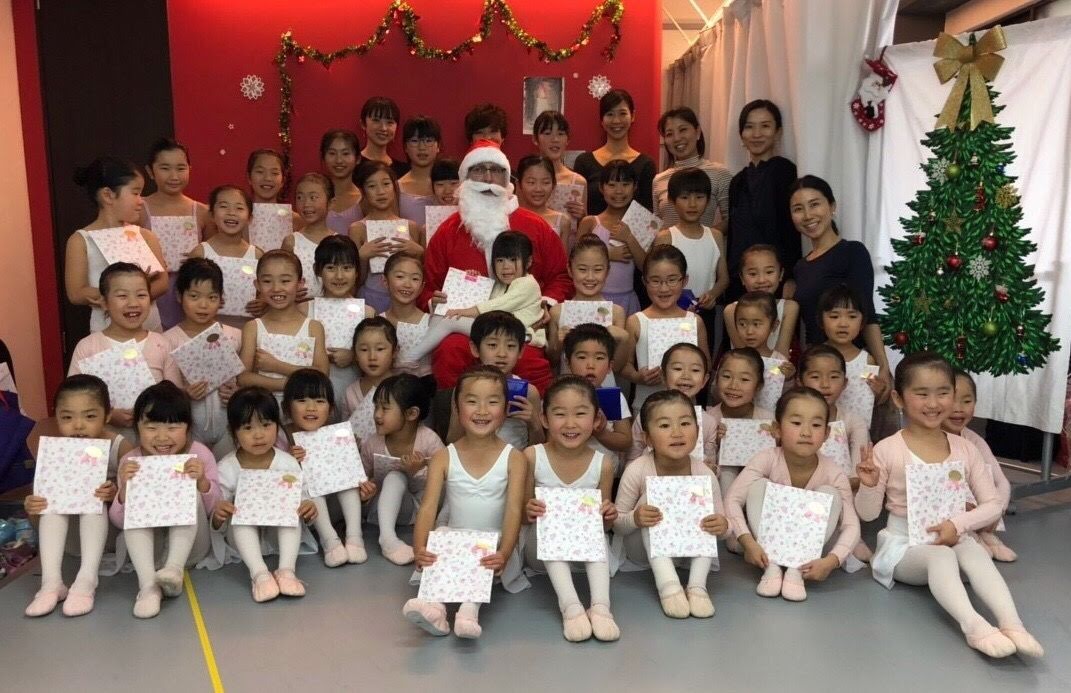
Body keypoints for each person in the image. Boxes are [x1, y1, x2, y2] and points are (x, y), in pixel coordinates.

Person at [856, 352, 1043, 659]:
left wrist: (957, 525)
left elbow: (993, 505)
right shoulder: (887, 450)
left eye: (943, 393)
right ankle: (975, 627)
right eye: (921, 394)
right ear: (899, 398)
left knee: (973, 550)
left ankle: (1013, 624)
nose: (933, 403)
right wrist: (868, 484)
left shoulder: (965, 448)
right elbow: (867, 514)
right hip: (905, 547)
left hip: (953, 537)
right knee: (941, 556)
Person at [418, 139, 571, 392]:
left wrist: (544, 303)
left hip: (522, 328)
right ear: (465, 177)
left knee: (532, 366)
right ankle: (454, 416)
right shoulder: (447, 232)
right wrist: (433, 300)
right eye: (479, 169)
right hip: (466, 331)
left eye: (497, 170)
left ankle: (533, 416)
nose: (488, 178)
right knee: (448, 353)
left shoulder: (536, 226)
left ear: (508, 178)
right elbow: (426, 285)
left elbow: (561, 277)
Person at [402, 365, 527, 639]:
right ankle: (434, 607)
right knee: (443, 532)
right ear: (457, 408)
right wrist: (420, 546)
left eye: (492, 402)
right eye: (472, 401)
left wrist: (505, 552)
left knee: (483, 549)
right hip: (455, 541)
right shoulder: (443, 457)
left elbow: (514, 510)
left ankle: (469, 612)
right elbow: (428, 507)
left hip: (495, 546)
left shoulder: (514, 458)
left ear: (505, 409)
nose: (482, 410)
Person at [725, 387, 860, 602]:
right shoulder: (766, 458)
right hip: (764, 546)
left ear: (827, 433)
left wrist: (831, 561)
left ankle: (796, 570)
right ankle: (772, 567)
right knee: (759, 486)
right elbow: (732, 499)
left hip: (812, 552)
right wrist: (748, 542)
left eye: (816, 425)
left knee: (830, 494)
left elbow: (851, 525)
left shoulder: (833, 473)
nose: (806, 432)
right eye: (796, 423)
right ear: (777, 429)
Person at [613, 390, 728, 619]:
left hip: (687, 556)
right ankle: (669, 586)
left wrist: (722, 526)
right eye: (665, 426)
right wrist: (636, 517)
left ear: (697, 431)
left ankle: (697, 586)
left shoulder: (704, 474)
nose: (677, 432)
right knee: (651, 498)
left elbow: (723, 530)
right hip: (642, 552)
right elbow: (616, 524)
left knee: (703, 505)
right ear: (647, 438)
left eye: (685, 423)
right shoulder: (637, 469)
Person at [522, 376, 619, 642]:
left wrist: (608, 515)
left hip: (585, 552)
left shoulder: (603, 463)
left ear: (596, 419)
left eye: (580, 413)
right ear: (544, 419)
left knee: (596, 535)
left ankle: (601, 606)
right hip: (540, 552)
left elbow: (604, 526)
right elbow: (521, 515)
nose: (570, 423)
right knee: (554, 529)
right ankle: (571, 607)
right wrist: (529, 510)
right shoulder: (532, 456)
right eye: (560, 414)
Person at [23, 375, 129, 617]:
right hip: (70, 540)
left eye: (89, 416)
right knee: (50, 505)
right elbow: (37, 512)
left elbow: (138, 499)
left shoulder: (119, 446)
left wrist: (114, 494)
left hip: (110, 536)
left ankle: (86, 580)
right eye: (67, 417)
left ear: (107, 415)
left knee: (94, 500)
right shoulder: (56, 452)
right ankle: (51, 583)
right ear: (56, 417)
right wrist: (33, 504)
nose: (78, 425)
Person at [112, 382, 220, 618]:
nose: (162, 437)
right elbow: (119, 522)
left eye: (172, 427)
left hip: (191, 549)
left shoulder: (199, 454)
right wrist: (126, 491)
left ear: (188, 428)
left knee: (188, 487)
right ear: (137, 428)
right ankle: (147, 587)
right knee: (136, 504)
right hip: (147, 554)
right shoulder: (131, 461)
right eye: (151, 427)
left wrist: (202, 482)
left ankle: (174, 568)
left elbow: (214, 512)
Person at [212, 387, 317, 602]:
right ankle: (259, 574)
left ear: (277, 426)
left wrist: (307, 506)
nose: (258, 435)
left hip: (277, 539)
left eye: (266, 425)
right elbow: (217, 519)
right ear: (233, 432)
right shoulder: (227, 468)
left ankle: (286, 570)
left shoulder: (287, 463)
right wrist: (219, 515)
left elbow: (303, 496)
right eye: (248, 428)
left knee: (291, 509)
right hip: (242, 543)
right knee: (240, 513)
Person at [789, 176, 892, 394]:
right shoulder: (800, 266)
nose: (807, 215)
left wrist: (883, 364)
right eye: (798, 209)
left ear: (832, 207)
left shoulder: (852, 252)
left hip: (852, 366)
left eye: (814, 204)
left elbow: (867, 312)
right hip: (816, 368)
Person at [67, 263, 182, 439]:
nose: (133, 303)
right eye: (122, 296)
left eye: (141, 295)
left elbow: (176, 399)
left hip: (156, 445)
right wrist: (109, 415)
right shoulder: (87, 347)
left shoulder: (161, 344)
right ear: (104, 302)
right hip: (105, 444)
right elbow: (73, 400)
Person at [65, 156, 169, 333]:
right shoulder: (81, 240)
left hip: (149, 327)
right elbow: (76, 293)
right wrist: (121, 299)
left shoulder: (146, 236)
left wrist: (134, 300)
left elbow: (163, 281)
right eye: (135, 193)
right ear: (108, 195)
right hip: (107, 330)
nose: (141, 200)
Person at [284, 369, 375, 567]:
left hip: (334, 509)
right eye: (302, 401)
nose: (311, 408)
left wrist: (364, 492)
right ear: (287, 407)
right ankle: (330, 542)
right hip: (302, 514)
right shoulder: (281, 437)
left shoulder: (337, 436)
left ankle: (354, 537)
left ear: (331, 408)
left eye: (319, 401)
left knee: (346, 477)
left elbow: (354, 479)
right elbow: (275, 483)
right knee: (312, 483)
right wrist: (288, 462)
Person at [412, 232, 546, 360]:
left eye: (513, 260)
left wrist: (463, 312)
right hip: (496, 328)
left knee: (451, 319)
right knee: (440, 314)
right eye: (500, 260)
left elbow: (495, 306)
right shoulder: (500, 284)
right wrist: (476, 282)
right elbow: (485, 299)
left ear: (528, 262)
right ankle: (423, 359)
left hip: (514, 332)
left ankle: (411, 356)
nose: (506, 266)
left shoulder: (528, 284)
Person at [359, 373, 444, 565]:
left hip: (415, 511)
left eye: (385, 408)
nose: (377, 414)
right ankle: (388, 539)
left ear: (411, 414)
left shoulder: (429, 440)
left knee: (395, 476)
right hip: (379, 512)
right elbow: (360, 479)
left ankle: (388, 539)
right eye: (376, 407)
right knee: (394, 476)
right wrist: (364, 493)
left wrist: (417, 471)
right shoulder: (372, 443)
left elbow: (446, 481)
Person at [163, 258, 242, 459]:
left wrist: (238, 392)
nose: (203, 305)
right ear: (179, 296)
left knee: (227, 470)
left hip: (229, 424)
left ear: (221, 299)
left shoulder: (235, 336)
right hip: (189, 426)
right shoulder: (167, 340)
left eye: (212, 297)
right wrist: (185, 393)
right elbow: (166, 393)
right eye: (194, 296)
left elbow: (246, 380)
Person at [725, 100, 799, 301]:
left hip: (775, 282)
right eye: (749, 127)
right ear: (741, 135)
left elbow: (792, 230)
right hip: (741, 282)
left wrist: (790, 276)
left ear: (778, 132)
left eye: (765, 126)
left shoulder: (785, 172)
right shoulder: (737, 181)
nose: (756, 134)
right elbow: (734, 235)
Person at [622, 245, 709, 409]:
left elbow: (706, 365)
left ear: (684, 280)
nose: (664, 288)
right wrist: (637, 376)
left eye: (672, 280)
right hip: (646, 406)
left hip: (686, 408)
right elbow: (624, 365)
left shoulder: (695, 321)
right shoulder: (636, 321)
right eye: (655, 281)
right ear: (644, 281)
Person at [943, 369, 1016, 562]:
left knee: (985, 474)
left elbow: (1001, 482)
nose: (959, 409)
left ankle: (985, 535)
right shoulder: (931, 440)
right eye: (951, 400)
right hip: (947, 516)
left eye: (967, 401)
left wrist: (994, 512)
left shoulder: (974, 440)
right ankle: (971, 538)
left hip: (979, 513)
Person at [139, 137, 212, 329]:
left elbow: (213, 256)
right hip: (153, 293)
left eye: (180, 168)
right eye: (165, 168)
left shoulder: (202, 212)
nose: (174, 176)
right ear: (150, 171)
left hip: (192, 292)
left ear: (189, 169)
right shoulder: (139, 209)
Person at [237, 250, 329, 400]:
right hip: (265, 409)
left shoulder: (313, 327)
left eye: (285, 281)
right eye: (267, 281)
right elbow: (243, 377)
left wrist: (277, 366)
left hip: (305, 409)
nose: (276, 288)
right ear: (257, 285)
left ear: (300, 283)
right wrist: (289, 384)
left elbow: (322, 374)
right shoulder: (253, 327)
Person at [445, 312, 544, 452]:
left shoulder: (529, 392)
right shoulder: (464, 388)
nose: (502, 354)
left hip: (516, 461)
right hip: (474, 460)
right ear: (475, 348)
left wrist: (534, 423)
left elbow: (539, 449)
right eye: (492, 345)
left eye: (511, 346)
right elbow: (452, 440)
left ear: (521, 350)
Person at [652, 168, 729, 347]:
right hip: (671, 311)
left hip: (705, 313)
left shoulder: (715, 236)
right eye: (685, 197)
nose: (692, 204)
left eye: (699, 197)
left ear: (708, 200)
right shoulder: (666, 237)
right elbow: (655, 277)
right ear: (672, 201)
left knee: (702, 359)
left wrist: (712, 295)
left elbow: (723, 278)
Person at [307, 235, 376, 414]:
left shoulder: (367, 312)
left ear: (357, 271)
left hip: (354, 397)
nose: (339, 276)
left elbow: (379, 357)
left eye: (347, 268)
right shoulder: (304, 310)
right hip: (312, 397)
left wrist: (354, 356)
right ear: (317, 270)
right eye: (330, 268)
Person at [626, 343, 718, 470]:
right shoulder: (647, 415)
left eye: (695, 370)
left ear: (705, 380)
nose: (686, 376)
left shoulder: (709, 422)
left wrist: (711, 469)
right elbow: (632, 459)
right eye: (678, 369)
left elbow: (712, 465)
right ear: (663, 376)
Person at [545, 236, 632, 370]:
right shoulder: (557, 312)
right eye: (582, 269)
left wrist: (624, 340)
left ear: (607, 271)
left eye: (598, 270)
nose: (590, 277)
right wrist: (558, 343)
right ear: (570, 269)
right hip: (568, 382)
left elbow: (617, 368)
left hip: (605, 383)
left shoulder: (616, 312)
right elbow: (552, 361)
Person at [348, 161, 425, 313]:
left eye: (386, 184)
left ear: (394, 187)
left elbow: (420, 277)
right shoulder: (358, 229)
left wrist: (420, 253)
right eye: (372, 186)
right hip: (371, 298)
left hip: (405, 298)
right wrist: (362, 257)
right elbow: (355, 282)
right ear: (363, 192)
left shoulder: (411, 227)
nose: (380, 191)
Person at [575, 160, 647, 315]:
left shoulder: (640, 222)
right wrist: (608, 254)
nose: (619, 191)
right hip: (592, 298)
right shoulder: (590, 222)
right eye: (612, 185)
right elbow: (575, 259)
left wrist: (629, 237)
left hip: (627, 299)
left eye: (625, 184)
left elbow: (646, 267)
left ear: (635, 187)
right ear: (601, 188)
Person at [186, 184, 263, 328]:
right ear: (211, 215)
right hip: (208, 328)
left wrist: (263, 302)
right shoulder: (200, 253)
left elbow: (265, 290)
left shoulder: (257, 255)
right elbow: (187, 293)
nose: (231, 213)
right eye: (223, 206)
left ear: (250, 218)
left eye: (239, 208)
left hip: (247, 329)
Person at [561, 325, 632, 475]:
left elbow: (626, 442)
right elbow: (550, 439)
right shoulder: (559, 397)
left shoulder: (615, 397)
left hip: (606, 474)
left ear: (610, 366)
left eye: (599, 358)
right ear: (568, 362)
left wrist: (601, 433)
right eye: (582, 357)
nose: (590, 365)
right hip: (567, 471)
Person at [573, 89, 656, 214]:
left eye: (622, 113)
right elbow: (578, 209)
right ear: (602, 120)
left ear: (632, 116)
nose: (616, 121)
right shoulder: (584, 162)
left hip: (631, 228)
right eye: (610, 114)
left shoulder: (646, 164)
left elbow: (648, 212)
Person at [818, 284, 889, 424]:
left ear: (862, 323)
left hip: (858, 431)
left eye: (852, 316)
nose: (843, 324)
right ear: (821, 321)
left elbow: (871, 399)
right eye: (834, 316)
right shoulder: (814, 357)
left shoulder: (867, 361)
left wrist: (878, 391)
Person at [652, 107, 731, 230]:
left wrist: (704, 236)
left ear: (697, 132)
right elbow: (656, 224)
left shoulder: (719, 173)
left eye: (683, 130)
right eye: (669, 134)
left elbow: (730, 219)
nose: (677, 138)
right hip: (666, 243)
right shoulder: (658, 180)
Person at [724, 244, 799, 357]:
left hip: (777, 367)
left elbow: (781, 354)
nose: (761, 280)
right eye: (753, 274)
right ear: (742, 278)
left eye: (769, 272)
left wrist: (774, 368)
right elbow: (744, 355)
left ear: (781, 274)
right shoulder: (731, 310)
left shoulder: (789, 307)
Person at [380, 252, 435, 400]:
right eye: (400, 276)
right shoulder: (378, 322)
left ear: (422, 286)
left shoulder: (430, 322)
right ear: (385, 281)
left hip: (423, 397)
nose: (407, 284)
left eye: (415, 279)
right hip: (388, 396)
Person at [282, 173, 336, 297]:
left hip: (331, 307)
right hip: (299, 307)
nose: (306, 204)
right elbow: (282, 279)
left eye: (313, 197)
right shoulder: (291, 242)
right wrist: (290, 291)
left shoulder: (339, 242)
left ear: (331, 203)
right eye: (300, 197)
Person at [344, 317, 397, 440]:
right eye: (364, 350)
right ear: (354, 354)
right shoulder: (350, 393)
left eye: (380, 349)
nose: (372, 357)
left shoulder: (405, 388)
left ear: (395, 351)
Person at [532, 110, 586, 227]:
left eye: (560, 134)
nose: (555, 139)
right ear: (535, 139)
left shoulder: (578, 182)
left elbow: (584, 230)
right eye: (547, 133)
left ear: (568, 140)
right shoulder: (526, 179)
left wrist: (582, 216)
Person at [247, 148, 303, 244]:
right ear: (249, 177)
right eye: (260, 172)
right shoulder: (239, 218)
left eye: (274, 173)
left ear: (283, 181)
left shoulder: (296, 220)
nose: (268, 178)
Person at [516, 155, 570, 247]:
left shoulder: (562, 221)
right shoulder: (509, 218)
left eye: (545, 182)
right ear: (519, 184)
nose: (538, 189)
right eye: (531, 182)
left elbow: (562, 256)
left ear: (553, 185)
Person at [397, 116, 442, 223]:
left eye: (428, 140)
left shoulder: (453, 184)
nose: (422, 147)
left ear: (438, 146)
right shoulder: (396, 188)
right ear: (405, 147)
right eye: (414, 141)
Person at [320, 129, 364, 235]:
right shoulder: (315, 198)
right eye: (332, 153)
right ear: (323, 158)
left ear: (358, 158)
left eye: (345, 153)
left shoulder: (365, 199)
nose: (339, 160)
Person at [358, 96, 409, 177]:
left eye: (390, 122)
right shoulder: (352, 165)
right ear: (363, 124)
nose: (383, 128)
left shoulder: (403, 171)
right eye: (376, 120)